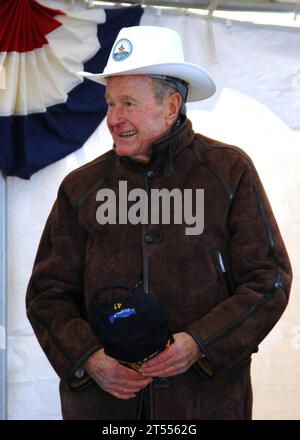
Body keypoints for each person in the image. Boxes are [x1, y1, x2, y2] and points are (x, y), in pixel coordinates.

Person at [26, 25, 292, 420]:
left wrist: (201, 343)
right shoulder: (80, 187)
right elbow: (47, 294)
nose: (114, 119)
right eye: (110, 103)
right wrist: (90, 359)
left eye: (128, 103)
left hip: (204, 403)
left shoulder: (228, 171)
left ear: (171, 106)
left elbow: (268, 280)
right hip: (104, 409)